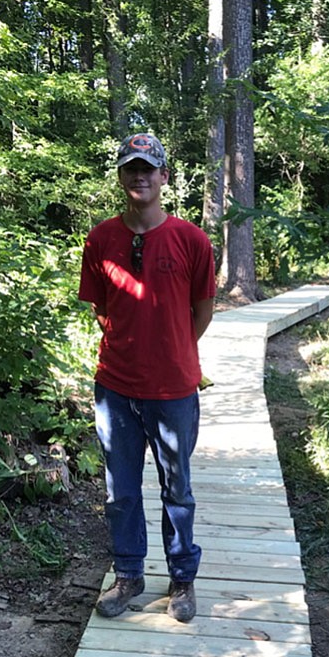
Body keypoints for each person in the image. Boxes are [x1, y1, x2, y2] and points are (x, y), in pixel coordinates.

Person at [78, 132, 215, 622]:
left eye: (148, 168)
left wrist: (171, 349)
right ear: (121, 176)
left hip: (174, 388)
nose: (140, 176)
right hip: (115, 388)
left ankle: (182, 579)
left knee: (177, 487)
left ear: (164, 176)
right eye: (131, 168)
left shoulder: (191, 240)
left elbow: (202, 310)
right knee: (120, 490)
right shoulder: (101, 238)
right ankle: (129, 575)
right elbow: (101, 308)